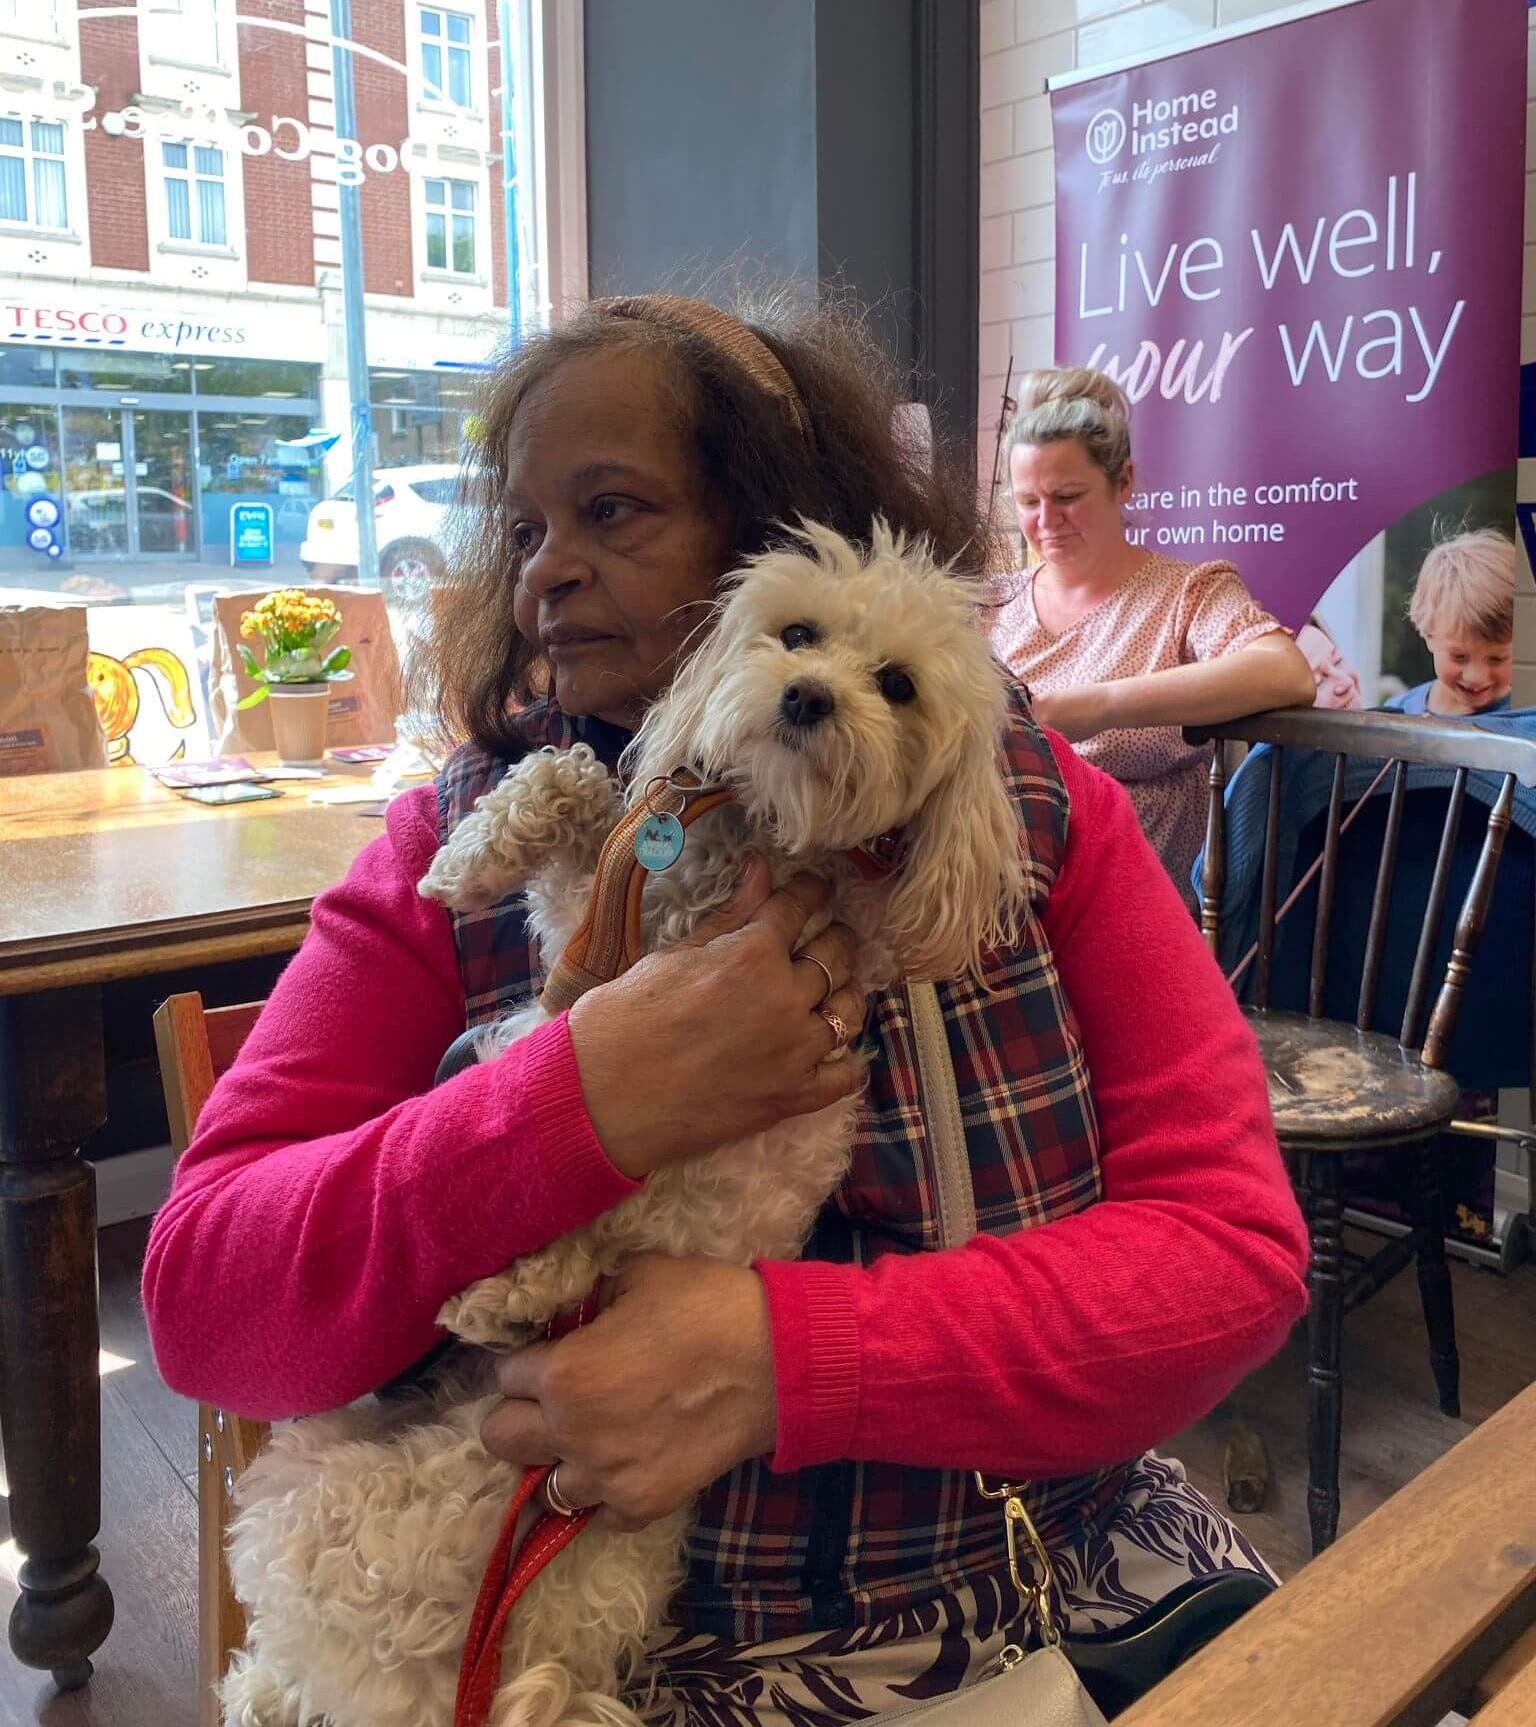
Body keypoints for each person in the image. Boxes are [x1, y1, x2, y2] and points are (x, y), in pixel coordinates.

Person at [143, 295, 1308, 1726]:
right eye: (521, 532)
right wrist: (583, 1100)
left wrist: (780, 1359)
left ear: (776, 532)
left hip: (1018, 1615)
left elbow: (1232, 1257)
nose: (544, 579)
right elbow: (207, 1296)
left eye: (611, 512)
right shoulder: (454, 849)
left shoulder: (1042, 822)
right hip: (564, 1660)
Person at [990, 369, 1315, 904]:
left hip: (1136, 907)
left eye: (1068, 495)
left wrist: (1095, 706)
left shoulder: (1186, 593)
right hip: (1006, 902)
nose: (1047, 521)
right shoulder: (992, 607)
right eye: (1028, 502)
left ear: (1125, 482)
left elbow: (1286, 671)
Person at [1388, 526, 1515, 717]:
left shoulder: (1525, 719)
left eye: (1497, 659)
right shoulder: (1398, 713)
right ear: (1429, 635)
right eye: (1458, 656)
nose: (1475, 677)